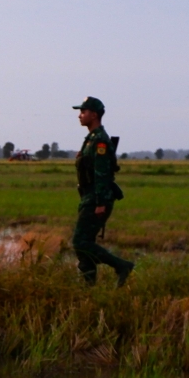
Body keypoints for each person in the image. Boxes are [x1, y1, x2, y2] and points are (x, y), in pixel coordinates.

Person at [70, 96, 134, 286]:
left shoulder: (100, 142)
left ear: (94, 115)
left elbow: (102, 175)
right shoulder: (91, 139)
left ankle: (121, 265)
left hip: (98, 198)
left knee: (80, 242)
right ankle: (88, 286)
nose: (80, 116)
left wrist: (99, 203)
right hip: (89, 196)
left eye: (83, 112)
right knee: (84, 244)